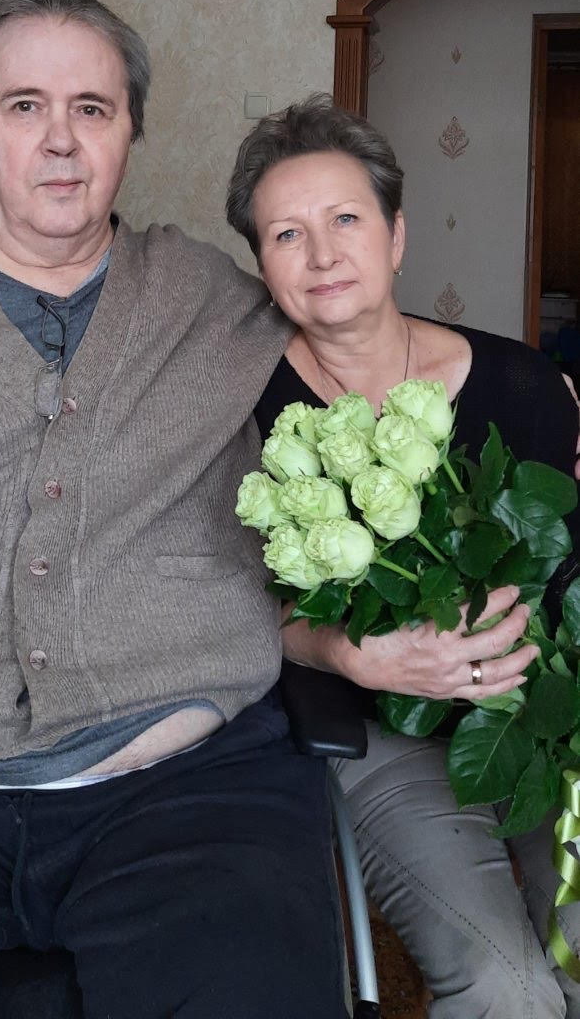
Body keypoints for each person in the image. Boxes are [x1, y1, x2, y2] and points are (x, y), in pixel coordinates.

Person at [0, 0, 345, 1019]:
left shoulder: (212, 296)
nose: (60, 141)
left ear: (131, 135)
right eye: (25, 106)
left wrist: (534, 388)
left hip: (191, 785)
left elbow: (365, 332)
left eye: (94, 109)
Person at [227, 93, 580, 1019]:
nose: (323, 253)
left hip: (536, 709)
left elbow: (568, 575)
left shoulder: (524, 386)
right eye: (286, 234)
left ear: (396, 235)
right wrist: (344, 651)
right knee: (510, 990)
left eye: (347, 219)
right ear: (260, 266)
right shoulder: (236, 412)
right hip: (370, 724)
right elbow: (223, 599)